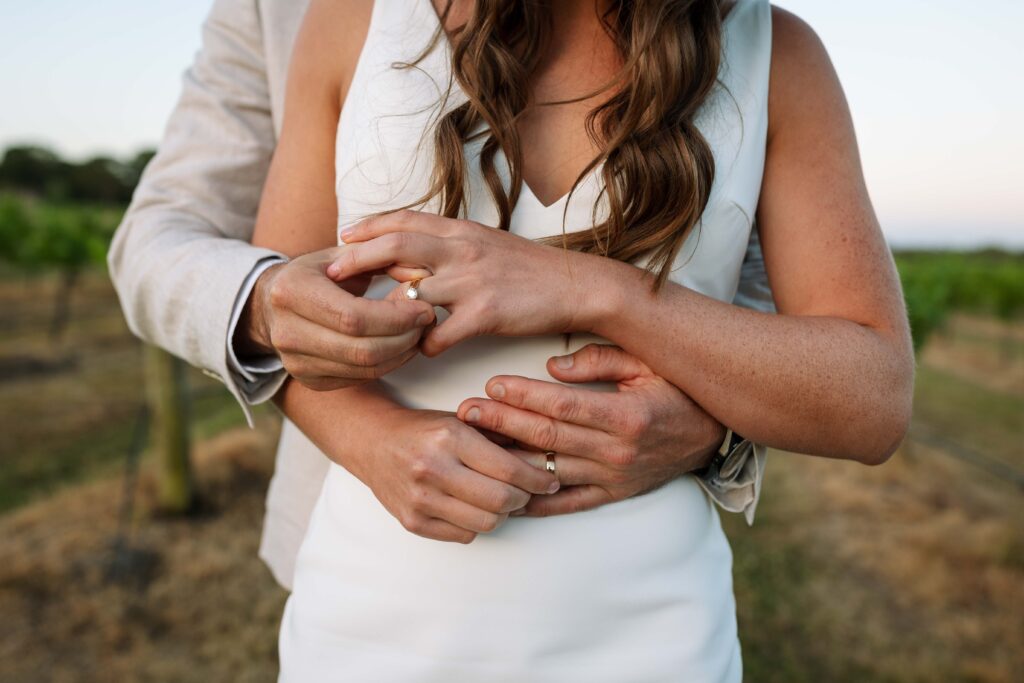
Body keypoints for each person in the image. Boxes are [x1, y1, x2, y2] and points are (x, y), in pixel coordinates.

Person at [248, 0, 914, 679]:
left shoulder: (779, 55)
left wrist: (596, 291)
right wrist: (375, 441)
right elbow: (272, 321)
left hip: (654, 639)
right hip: (371, 627)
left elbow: (875, 396)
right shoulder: (352, 18)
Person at [108, 0, 772, 593]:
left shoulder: (757, 46)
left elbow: (768, 299)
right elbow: (157, 235)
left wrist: (718, 425)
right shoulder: (308, 16)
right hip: (367, 554)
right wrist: (269, 306)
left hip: (642, 584)